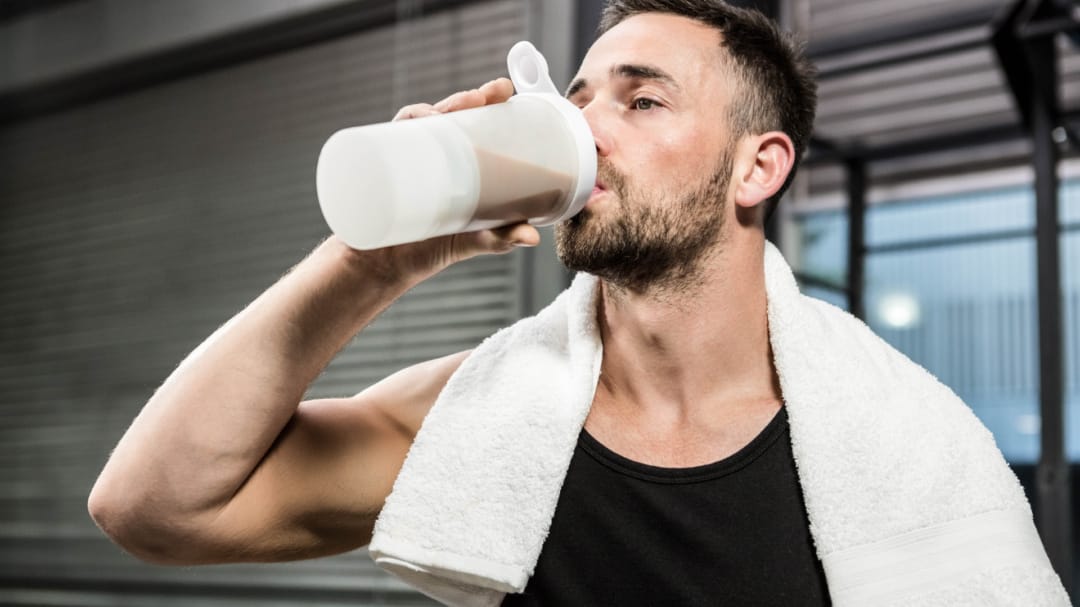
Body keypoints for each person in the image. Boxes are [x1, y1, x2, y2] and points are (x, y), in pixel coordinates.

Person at [88, 1, 1066, 605]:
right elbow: (154, 509)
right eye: (579, 98)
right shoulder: (485, 416)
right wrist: (370, 263)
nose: (586, 129)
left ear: (756, 167)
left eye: (641, 101)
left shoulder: (903, 437)